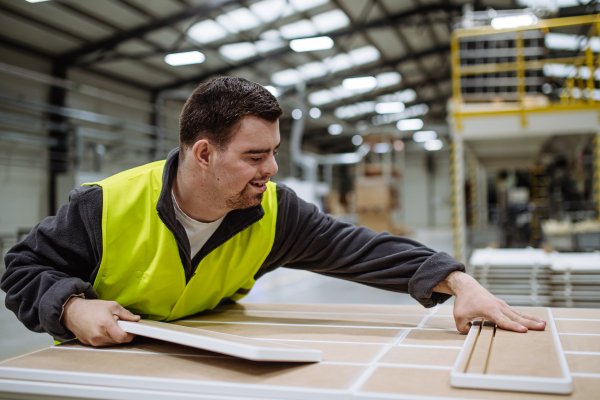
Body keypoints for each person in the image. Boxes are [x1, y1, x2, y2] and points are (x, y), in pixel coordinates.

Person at [1, 77, 545, 347]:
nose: (273, 169)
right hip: (97, 373)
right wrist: (71, 309)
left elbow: (358, 247)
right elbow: (21, 268)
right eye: (256, 156)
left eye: (275, 152)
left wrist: (456, 280)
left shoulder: (273, 215)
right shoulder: (105, 205)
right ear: (205, 154)